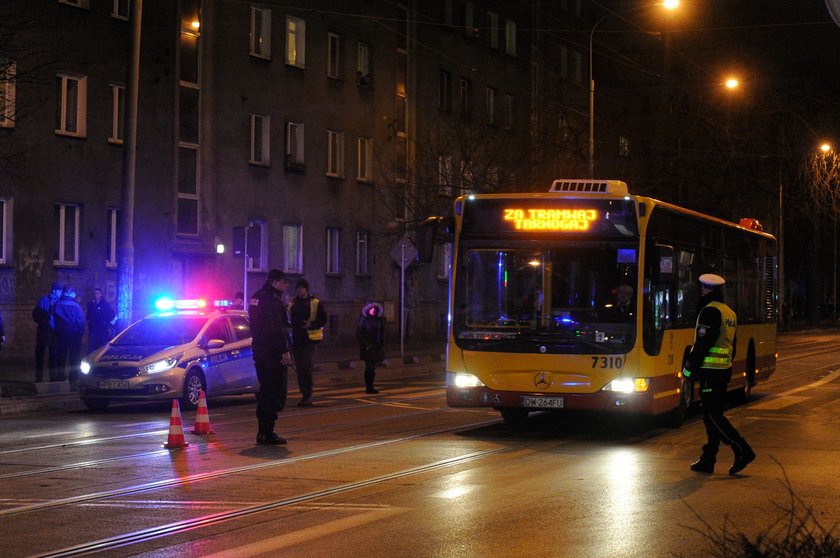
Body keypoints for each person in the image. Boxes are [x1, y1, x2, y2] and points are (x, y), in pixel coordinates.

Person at [683, 273, 756, 476]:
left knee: (712, 416)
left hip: (710, 372)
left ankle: (742, 449)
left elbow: (702, 344)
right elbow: (731, 346)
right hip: (722, 372)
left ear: (705, 289)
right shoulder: (728, 312)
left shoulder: (709, 312)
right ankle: (709, 459)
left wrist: (689, 370)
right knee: (711, 416)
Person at [248, 269, 292, 445]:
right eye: (283, 282)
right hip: (273, 353)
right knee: (275, 391)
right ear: (275, 282)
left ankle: (263, 432)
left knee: (265, 390)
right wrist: (284, 349)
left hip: (260, 351)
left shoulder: (256, 297)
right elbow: (277, 327)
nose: (286, 285)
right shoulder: (272, 300)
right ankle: (268, 432)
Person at [288, 278, 327, 407]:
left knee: (306, 367)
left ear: (306, 290)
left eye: (302, 288)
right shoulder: (292, 303)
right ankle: (305, 394)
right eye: (298, 288)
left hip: (311, 340)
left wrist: (311, 324)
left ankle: (308, 395)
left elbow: (323, 319)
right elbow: (287, 318)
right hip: (297, 339)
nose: (299, 290)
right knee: (300, 368)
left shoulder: (315, 302)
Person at [53, 284, 86, 387]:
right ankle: (74, 377)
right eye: (73, 292)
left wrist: (56, 330)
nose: (75, 294)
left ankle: (60, 376)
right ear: (69, 293)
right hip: (74, 334)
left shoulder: (56, 304)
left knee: (61, 356)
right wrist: (80, 333)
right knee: (74, 357)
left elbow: (52, 320)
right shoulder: (76, 306)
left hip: (61, 334)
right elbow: (81, 321)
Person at [32, 282, 63, 382]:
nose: (61, 292)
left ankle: (53, 377)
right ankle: (39, 377)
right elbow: (35, 315)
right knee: (40, 354)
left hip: (53, 332)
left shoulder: (59, 301)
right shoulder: (44, 300)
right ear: (54, 291)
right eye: (59, 291)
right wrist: (45, 319)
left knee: (53, 355)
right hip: (44, 331)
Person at [357, 302, 385, 394]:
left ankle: (371, 385)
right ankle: (368, 387)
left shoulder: (379, 321)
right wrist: (366, 344)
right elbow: (359, 334)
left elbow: (381, 333)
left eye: (375, 309)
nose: (373, 311)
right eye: (371, 309)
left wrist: (380, 343)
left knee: (373, 367)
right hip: (367, 347)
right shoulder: (363, 320)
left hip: (376, 346)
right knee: (369, 366)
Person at [86, 287, 116, 354]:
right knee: (91, 346)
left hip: (102, 329)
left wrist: (106, 322)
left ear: (101, 294)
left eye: (97, 293)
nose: (95, 295)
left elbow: (112, 314)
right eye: (94, 293)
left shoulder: (105, 305)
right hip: (93, 328)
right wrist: (88, 321)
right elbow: (88, 314)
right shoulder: (90, 304)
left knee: (102, 346)